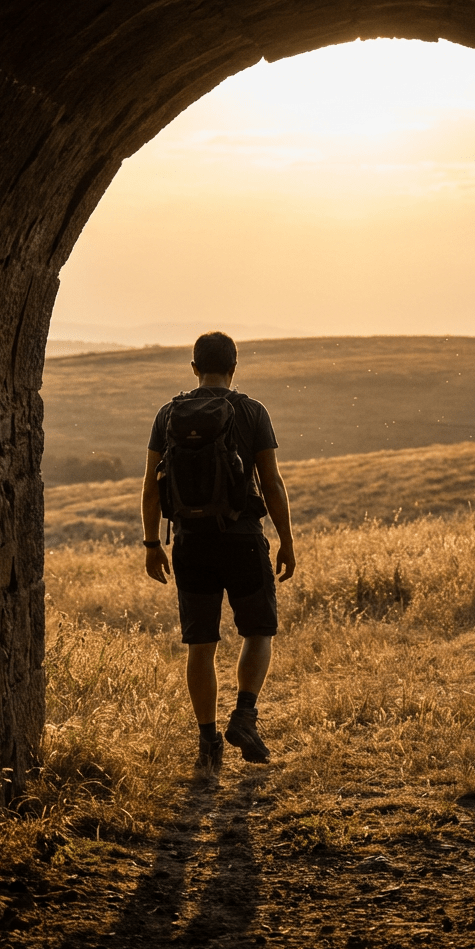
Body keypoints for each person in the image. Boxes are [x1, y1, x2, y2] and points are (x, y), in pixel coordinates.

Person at [141, 331, 295, 772]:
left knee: (201, 645)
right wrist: (285, 538)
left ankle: (208, 746)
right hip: (244, 539)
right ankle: (244, 715)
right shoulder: (252, 411)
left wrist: (153, 544)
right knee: (259, 631)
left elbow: (151, 486)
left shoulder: (168, 414)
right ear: (234, 367)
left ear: (194, 368)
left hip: (190, 542)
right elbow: (271, 481)